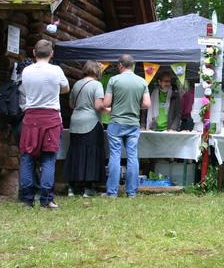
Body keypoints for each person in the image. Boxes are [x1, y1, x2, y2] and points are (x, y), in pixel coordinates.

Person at [18, 40, 69, 209]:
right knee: (48, 159)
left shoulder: (26, 71)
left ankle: (27, 199)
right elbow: (66, 88)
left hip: (31, 116)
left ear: (34, 53)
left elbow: (26, 90)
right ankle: (46, 199)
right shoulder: (56, 70)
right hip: (51, 117)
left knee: (28, 158)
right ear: (51, 53)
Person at [103, 55, 151, 198]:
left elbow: (106, 103)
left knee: (115, 156)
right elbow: (147, 104)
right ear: (133, 66)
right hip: (133, 124)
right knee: (132, 157)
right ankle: (131, 192)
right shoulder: (142, 81)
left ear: (120, 65)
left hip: (116, 123)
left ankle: (112, 192)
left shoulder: (114, 80)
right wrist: (136, 105)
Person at [63, 60, 106, 197]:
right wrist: (108, 109)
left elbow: (71, 104)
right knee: (90, 153)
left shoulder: (77, 84)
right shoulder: (97, 85)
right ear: (97, 71)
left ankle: (72, 187)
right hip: (91, 122)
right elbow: (98, 105)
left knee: (75, 153)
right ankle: (88, 188)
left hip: (75, 121)